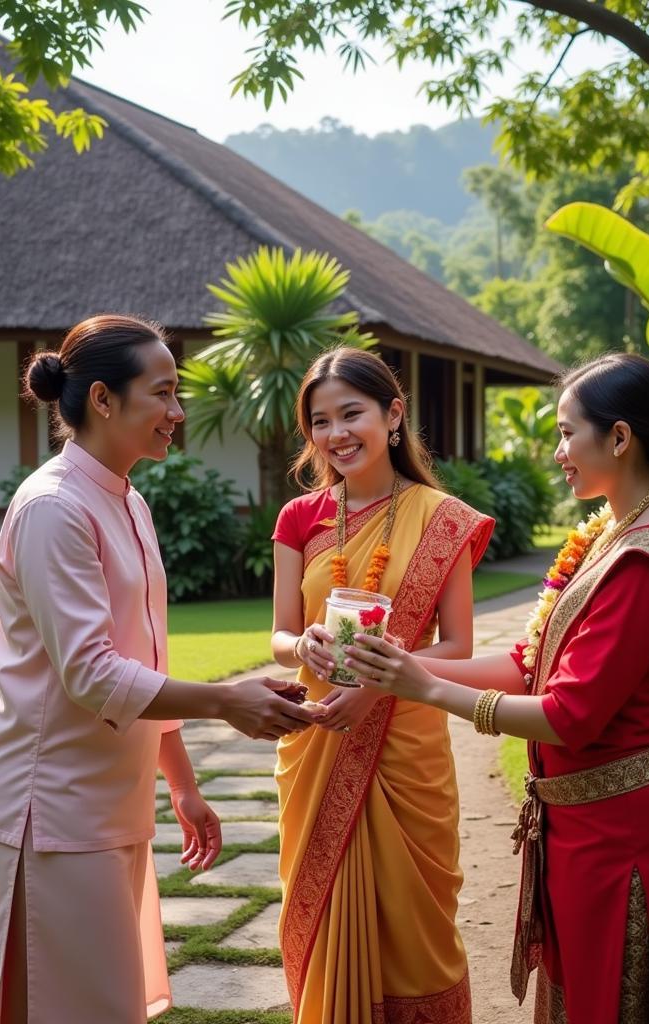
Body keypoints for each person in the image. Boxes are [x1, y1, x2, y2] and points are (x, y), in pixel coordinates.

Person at [0, 314, 314, 1024]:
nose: (178, 412)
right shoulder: (54, 508)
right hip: (47, 806)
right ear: (102, 399)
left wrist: (183, 785)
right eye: (162, 394)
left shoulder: (127, 498)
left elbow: (143, 656)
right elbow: (93, 674)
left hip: (108, 799)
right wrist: (226, 701)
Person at [344, 353, 649, 1024]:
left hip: (630, 834)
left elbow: (569, 714)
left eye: (566, 433)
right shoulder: (615, 535)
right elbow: (534, 663)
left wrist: (427, 689)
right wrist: (405, 668)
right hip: (593, 824)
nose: (558, 451)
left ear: (618, 438)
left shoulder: (642, 560)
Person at [270, 347, 494, 1023]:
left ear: (392, 415)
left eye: (351, 413)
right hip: (321, 737)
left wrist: (387, 682)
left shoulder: (442, 518)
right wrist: (299, 642)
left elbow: (457, 646)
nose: (336, 433)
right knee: (326, 915)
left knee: (417, 924)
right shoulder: (299, 519)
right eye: (320, 421)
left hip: (406, 748)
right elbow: (279, 635)